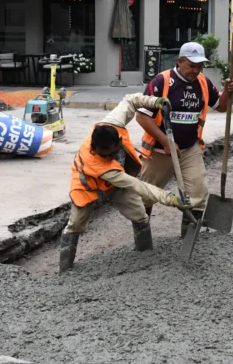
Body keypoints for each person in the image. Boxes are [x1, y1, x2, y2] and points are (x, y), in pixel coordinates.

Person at [60, 93, 194, 273]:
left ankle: (145, 255)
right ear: (94, 148)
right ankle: (65, 270)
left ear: (119, 141)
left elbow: (130, 100)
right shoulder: (101, 166)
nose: (109, 157)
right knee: (76, 224)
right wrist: (171, 199)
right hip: (87, 185)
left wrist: (155, 102)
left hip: (116, 184)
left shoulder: (113, 122)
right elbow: (139, 186)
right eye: (104, 155)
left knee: (140, 215)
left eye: (113, 153)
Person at [136, 42, 233, 237]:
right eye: (192, 65)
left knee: (198, 193)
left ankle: (188, 241)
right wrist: (166, 141)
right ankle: (142, 240)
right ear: (179, 61)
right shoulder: (161, 81)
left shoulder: (203, 82)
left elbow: (222, 107)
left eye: (200, 66)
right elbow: (142, 116)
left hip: (190, 148)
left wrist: (227, 91)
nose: (196, 70)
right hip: (160, 150)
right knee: (146, 195)